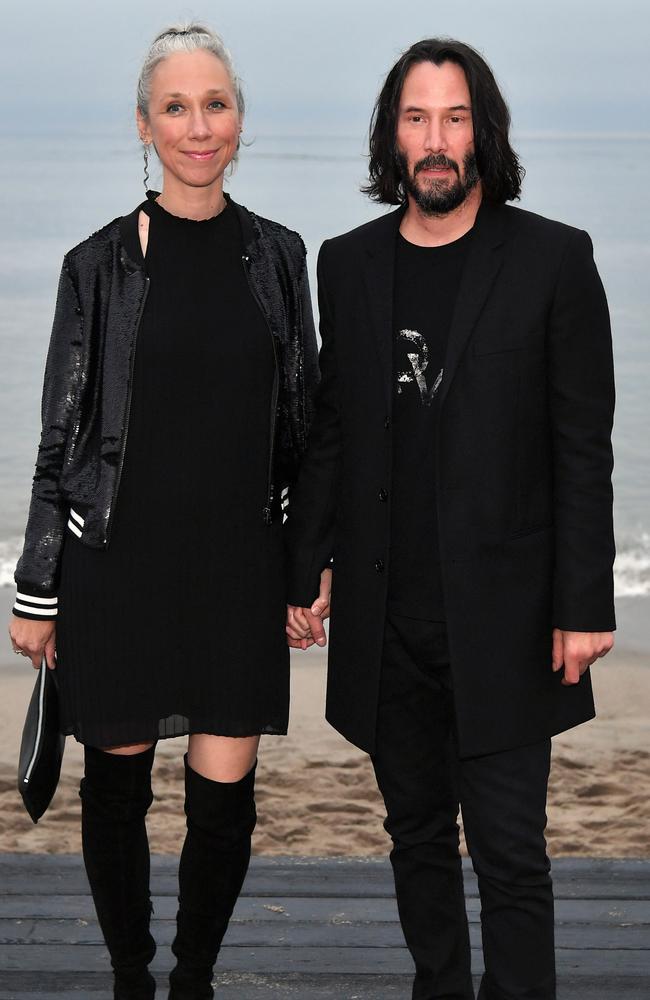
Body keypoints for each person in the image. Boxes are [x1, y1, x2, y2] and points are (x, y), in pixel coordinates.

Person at [285, 38, 615, 1000]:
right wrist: (309, 566)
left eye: (456, 118)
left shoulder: (552, 258)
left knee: (513, 855)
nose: (437, 140)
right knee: (415, 837)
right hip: (391, 622)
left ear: (484, 132)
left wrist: (583, 603)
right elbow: (334, 430)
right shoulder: (347, 267)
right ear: (394, 135)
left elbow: (579, 444)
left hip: (508, 619)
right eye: (418, 118)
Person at [9, 24, 318, 1000]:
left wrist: (306, 567)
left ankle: (193, 977)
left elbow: (306, 429)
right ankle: (133, 977)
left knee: (225, 802)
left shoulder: (277, 256)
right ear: (146, 124)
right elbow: (63, 437)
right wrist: (38, 589)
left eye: (214, 104)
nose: (197, 125)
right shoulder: (93, 265)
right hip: (121, 570)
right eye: (176, 107)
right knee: (117, 791)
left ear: (238, 123)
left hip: (237, 568)